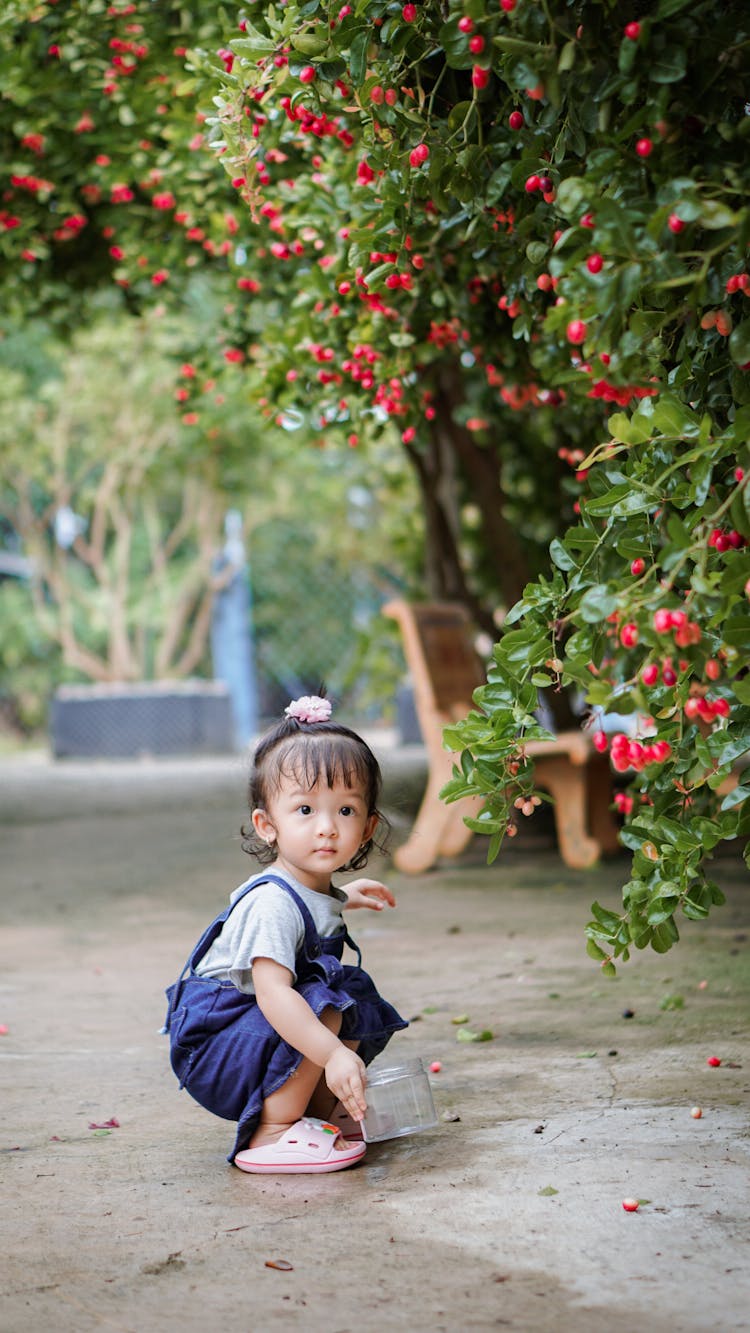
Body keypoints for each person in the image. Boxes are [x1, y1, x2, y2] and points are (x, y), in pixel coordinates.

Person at [163, 695, 407, 1174]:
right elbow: (274, 996)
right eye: (304, 810)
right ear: (266, 825)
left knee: (349, 993)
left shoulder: (312, 890)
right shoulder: (272, 904)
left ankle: (317, 1115)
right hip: (216, 1049)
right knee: (323, 1005)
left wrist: (343, 896)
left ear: (369, 824)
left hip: (249, 1038)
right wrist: (334, 1055)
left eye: (345, 811)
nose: (326, 828)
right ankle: (272, 1132)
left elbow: (311, 912)